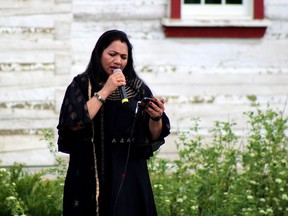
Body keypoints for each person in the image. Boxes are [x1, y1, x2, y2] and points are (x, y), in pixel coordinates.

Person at [56, 29, 170, 216]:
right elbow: (74, 123)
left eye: (123, 57)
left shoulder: (136, 87)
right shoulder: (82, 84)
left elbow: (154, 135)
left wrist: (155, 117)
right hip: (92, 168)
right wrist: (107, 89)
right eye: (112, 54)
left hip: (129, 169)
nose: (118, 61)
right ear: (99, 53)